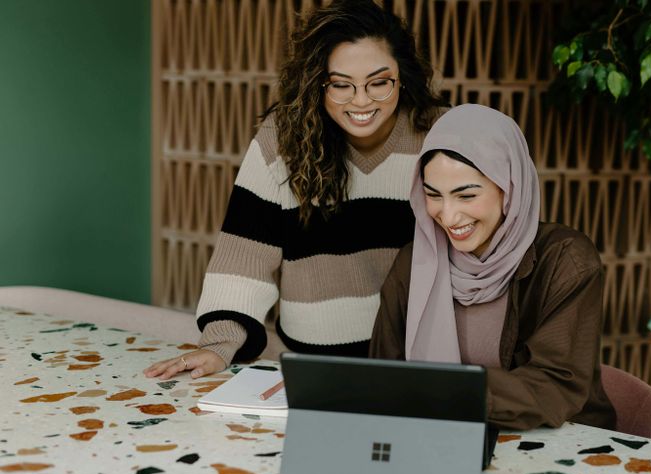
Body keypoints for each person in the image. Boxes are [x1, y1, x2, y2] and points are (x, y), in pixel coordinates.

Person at [145, 0, 446, 380]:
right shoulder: (283, 139)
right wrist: (220, 345)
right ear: (316, 82)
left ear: (402, 77)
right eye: (340, 85)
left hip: (416, 363)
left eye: (379, 82)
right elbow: (246, 254)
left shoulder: (439, 134)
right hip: (309, 368)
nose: (361, 100)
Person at [369, 104, 616, 431]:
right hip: (444, 439)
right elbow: (382, 373)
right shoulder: (414, 264)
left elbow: (556, 384)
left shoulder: (565, 260)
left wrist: (445, 392)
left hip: (559, 445)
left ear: (509, 186)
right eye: (434, 195)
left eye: (466, 195)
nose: (449, 215)